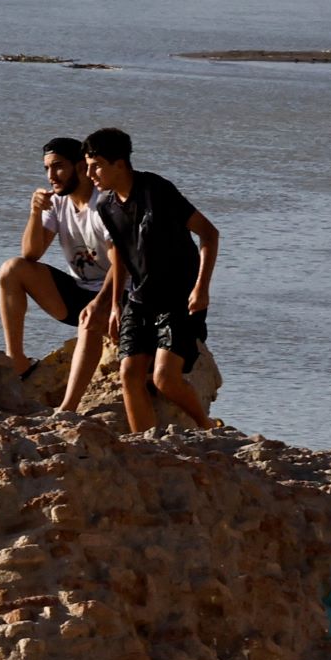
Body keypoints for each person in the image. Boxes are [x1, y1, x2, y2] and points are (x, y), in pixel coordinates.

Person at [84, 127, 221, 433]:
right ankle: (145, 443)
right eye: (88, 166)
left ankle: (207, 426)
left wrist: (202, 288)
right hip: (140, 300)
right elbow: (119, 255)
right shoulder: (106, 206)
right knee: (129, 374)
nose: (90, 174)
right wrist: (117, 305)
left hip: (179, 299)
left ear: (119, 164)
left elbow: (209, 234)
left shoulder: (156, 190)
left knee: (163, 378)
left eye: (96, 166)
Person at [0, 135, 113, 411]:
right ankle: (18, 362)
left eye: (58, 166)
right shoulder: (59, 202)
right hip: (80, 292)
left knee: (89, 321)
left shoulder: (105, 205)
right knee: (12, 269)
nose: (51, 176)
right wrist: (35, 212)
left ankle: (68, 407)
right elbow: (31, 255)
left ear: (81, 167)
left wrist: (101, 303)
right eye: (47, 168)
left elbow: (124, 265)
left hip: (118, 295)